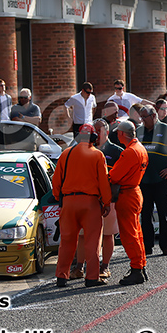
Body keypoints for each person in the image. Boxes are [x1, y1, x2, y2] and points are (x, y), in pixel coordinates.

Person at [52, 123, 112, 288]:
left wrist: (60, 199)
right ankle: (92, 278)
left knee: (67, 241)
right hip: (90, 203)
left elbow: (56, 181)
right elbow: (103, 183)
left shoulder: (66, 154)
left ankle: (62, 276)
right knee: (92, 242)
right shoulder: (97, 155)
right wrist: (106, 202)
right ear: (93, 138)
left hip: (69, 203)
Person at [70, 118, 124, 280]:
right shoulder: (82, 150)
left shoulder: (117, 152)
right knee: (82, 235)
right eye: (94, 131)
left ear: (106, 132)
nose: (95, 134)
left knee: (108, 235)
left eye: (98, 131)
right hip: (88, 199)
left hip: (109, 200)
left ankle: (105, 267)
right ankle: (79, 267)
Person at [137, 105, 167, 256]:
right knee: (145, 214)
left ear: (153, 116)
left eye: (144, 117)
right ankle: (147, 246)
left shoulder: (166, 130)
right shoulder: (139, 131)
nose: (142, 120)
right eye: (141, 117)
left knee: (164, 214)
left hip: (161, 179)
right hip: (143, 180)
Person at [109, 121, 150, 285]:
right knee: (136, 232)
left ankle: (137, 269)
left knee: (129, 234)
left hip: (127, 194)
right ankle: (140, 266)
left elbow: (114, 176)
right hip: (134, 191)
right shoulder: (140, 148)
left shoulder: (130, 152)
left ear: (121, 134)